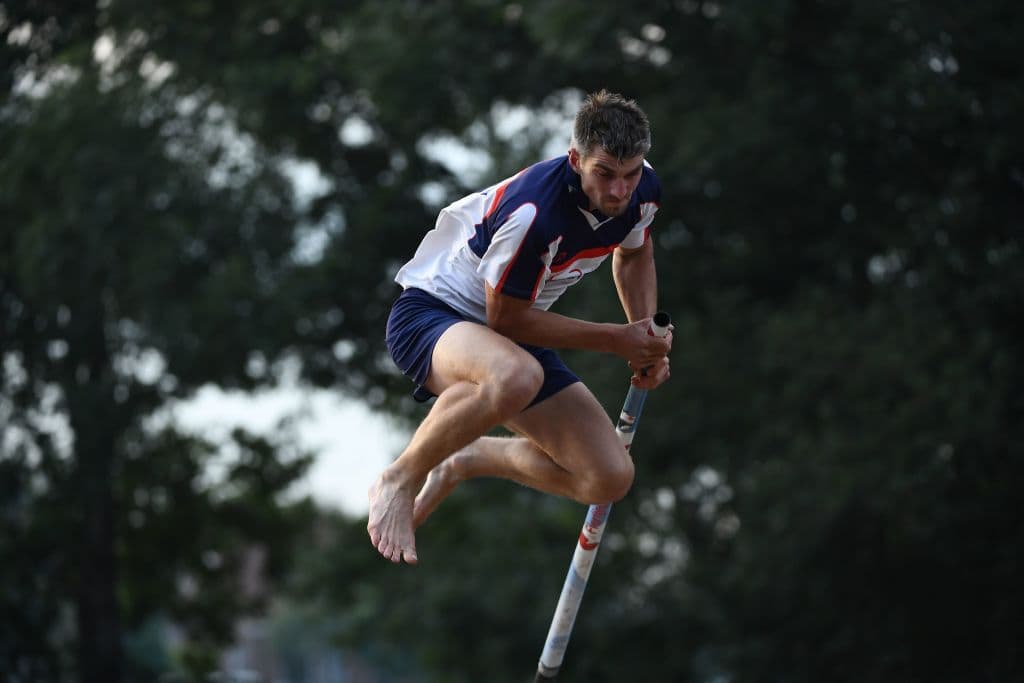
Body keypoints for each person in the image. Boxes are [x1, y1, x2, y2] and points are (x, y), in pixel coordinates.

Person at [368, 90, 672, 564]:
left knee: (608, 478)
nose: (619, 190)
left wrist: (644, 338)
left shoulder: (643, 190)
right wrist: (617, 339)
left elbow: (633, 255)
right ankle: (400, 477)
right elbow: (504, 318)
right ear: (575, 159)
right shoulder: (533, 215)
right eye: (604, 174)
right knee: (514, 375)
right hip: (435, 315)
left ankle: (466, 457)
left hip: (512, 337)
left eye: (630, 174)